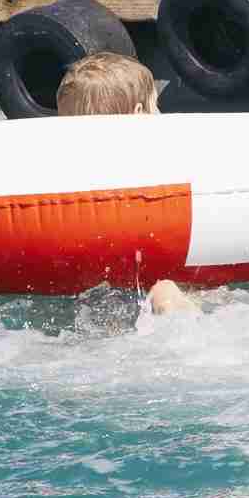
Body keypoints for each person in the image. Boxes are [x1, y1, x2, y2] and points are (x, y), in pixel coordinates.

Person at [51, 51, 197, 315]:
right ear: (139, 114)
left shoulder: (65, 181)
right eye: (155, 107)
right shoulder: (157, 171)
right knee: (169, 290)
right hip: (151, 281)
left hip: (85, 292)